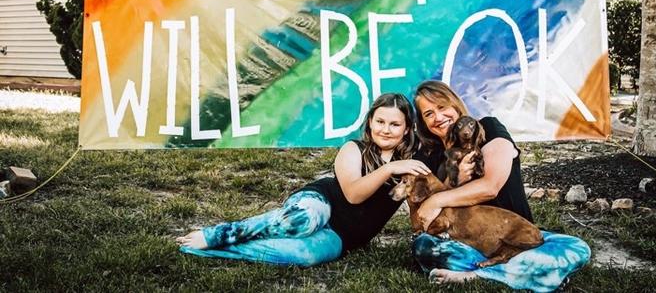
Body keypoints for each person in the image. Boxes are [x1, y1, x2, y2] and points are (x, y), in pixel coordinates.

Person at [176, 92, 430, 266]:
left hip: (345, 235)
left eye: (394, 124)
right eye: (380, 121)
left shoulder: (413, 162)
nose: (385, 129)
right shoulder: (353, 149)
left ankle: (212, 248)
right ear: (370, 123)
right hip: (321, 202)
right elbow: (353, 194)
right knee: (304, 220)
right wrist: (389, 169)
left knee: (304, 255)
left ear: (407, 128)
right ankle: (218, 235)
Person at [411, 80, 590, 291]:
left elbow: (490, 186)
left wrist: (436, 199)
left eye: (442, 107)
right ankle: (526, 272)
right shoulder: (430, 155)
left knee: (577, 248)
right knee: (423, 246)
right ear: (423, 122)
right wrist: (453, 180)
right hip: (468, 243)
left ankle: (477, 274)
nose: (438, 117)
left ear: (455, 105)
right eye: (428, 113)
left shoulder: (489, 128)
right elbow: (425, 217)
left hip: (514, 237)